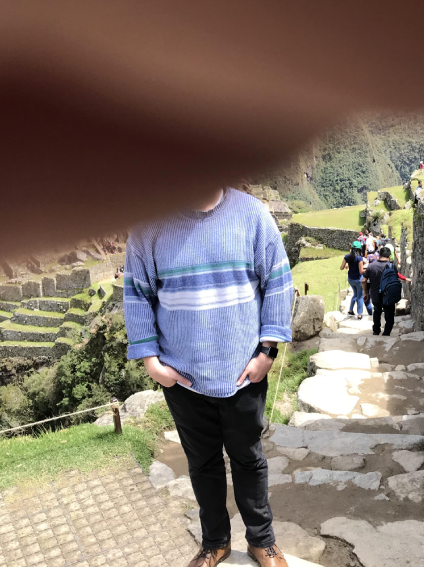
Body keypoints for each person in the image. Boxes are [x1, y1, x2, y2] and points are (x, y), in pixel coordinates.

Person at [124, 186, 294, 567]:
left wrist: (266, 352)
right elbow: (137, 293)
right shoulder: (149, 225)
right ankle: (215, 542)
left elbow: (278, 281)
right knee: (202, 463)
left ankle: (262, 541)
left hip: (244, 374)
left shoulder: (252, 215)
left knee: (248, 459)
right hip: (183, 379)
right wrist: (152, 363)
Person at [364, 246, 408, 336]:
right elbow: (396, 278)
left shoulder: (371, 266)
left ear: (379, 255)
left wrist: (365, 293)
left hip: (375, 295)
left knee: (377, 311)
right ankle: (386, 333)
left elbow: (363, 280)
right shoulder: (391, 266)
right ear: (389, 256)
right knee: (389, 314)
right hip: (388, 295)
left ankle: (376, 331)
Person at [341, 241, 366, 319]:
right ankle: (359, 314)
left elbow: (341, 267)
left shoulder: (347, 256)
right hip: (358, 280)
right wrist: (368, 269)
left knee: (355, 294)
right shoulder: (359, 258)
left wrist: (347, 266)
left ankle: (350, 310)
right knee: (360, 296)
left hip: (350, 279)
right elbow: (361, 271)